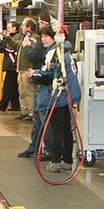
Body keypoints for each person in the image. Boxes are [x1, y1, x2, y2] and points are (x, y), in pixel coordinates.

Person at [29, 25, 80, 172]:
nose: (43, 39)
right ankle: (67, 160)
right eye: (42, 36)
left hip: (58, 96)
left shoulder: (55, 53)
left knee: (56, 130)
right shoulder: (66, 51)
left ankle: (56, 160)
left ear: (55, 37)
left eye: (46, 36)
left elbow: (50, 75)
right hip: (68, 95)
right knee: (66, 129)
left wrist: (34, 74)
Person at [0, 21, 21, 112]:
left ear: (15, 28)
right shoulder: (11, 37)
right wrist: (1, 38)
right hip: (11, 65)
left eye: (9, 27)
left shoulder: (17, 37)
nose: (7, 29)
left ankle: (2, 106)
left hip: (12, 65)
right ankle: (15, 105)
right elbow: (1, 46)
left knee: (7, 86)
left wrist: (7, 37)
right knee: (13, 87)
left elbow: (10, 48)